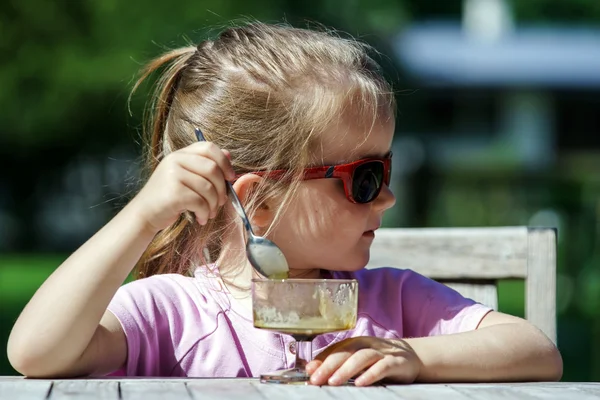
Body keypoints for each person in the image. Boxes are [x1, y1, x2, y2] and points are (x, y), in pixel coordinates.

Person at [7, 21, 562, 386]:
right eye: (365, 177)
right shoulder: (174, 314)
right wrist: (142, 216)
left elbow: (537, 351)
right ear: (261, 202)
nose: (389, 197)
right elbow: (36, 353)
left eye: (386, 169)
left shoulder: (392, 301)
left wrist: (416, 358)